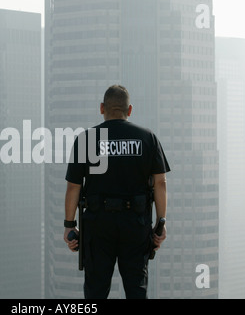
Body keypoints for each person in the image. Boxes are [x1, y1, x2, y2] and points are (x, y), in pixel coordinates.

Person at [63, 85, 170, 299]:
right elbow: (160, 184)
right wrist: (160, 223)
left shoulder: (86, 139)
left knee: (95, 292)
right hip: (136, 224)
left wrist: (69, 225)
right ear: (129, 110)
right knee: (136, 289)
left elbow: (74, 186)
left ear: (102, 108)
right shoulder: (148, 138)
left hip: (97, 225)